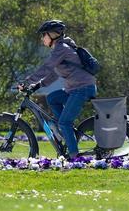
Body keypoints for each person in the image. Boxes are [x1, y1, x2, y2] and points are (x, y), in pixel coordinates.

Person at [19, 20, 97, 159]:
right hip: (76, 88)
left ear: (53, 35)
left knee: (64, 122)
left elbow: (46, 68)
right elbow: (54, 73)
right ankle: (63, 130)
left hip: (82, 88)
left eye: (44, 35)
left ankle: (73, 157)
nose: (42, 38)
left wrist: (26, 82)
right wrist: (37, 85)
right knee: (52, 98)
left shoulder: (61, 48)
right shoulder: (61, 49)